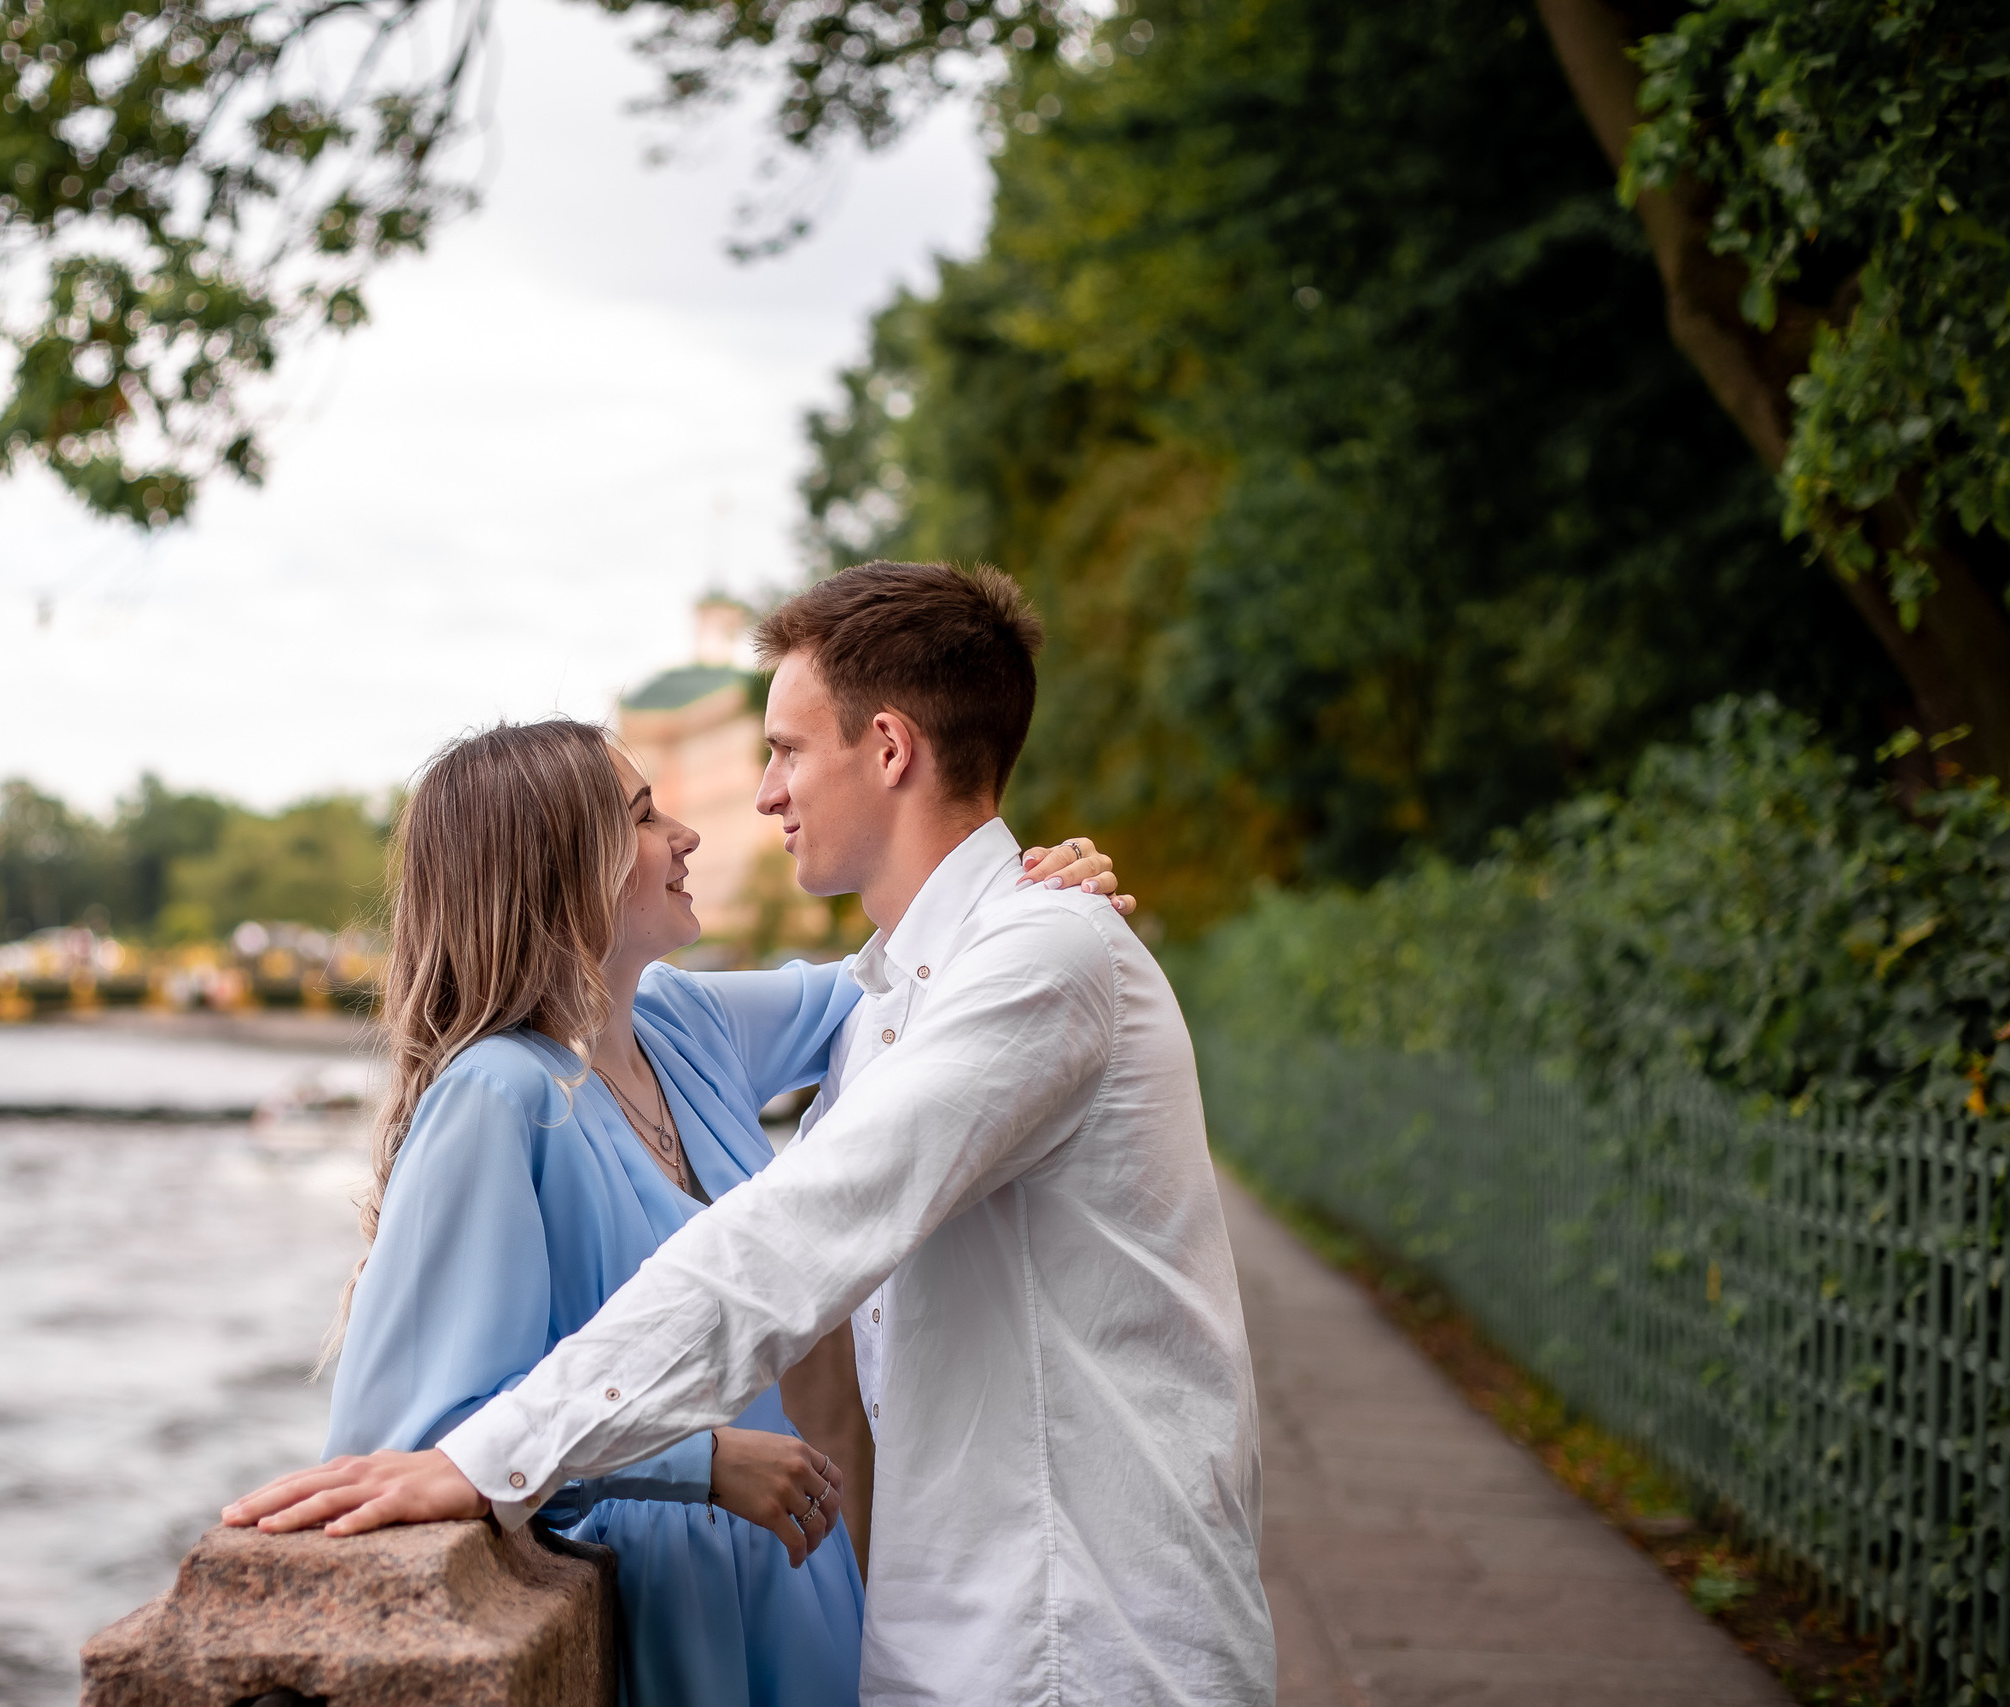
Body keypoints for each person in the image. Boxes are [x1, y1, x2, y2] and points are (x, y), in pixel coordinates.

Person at [227, 562, 1275, 1706]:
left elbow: (790, 1237)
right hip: (960, 1633)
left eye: (784, 750)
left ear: (886, 749)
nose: (755, 798)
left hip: (1078, 1647)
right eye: (646, 810)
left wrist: (490, 1459)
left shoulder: (1026, 966)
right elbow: (870, 995)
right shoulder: (934, 984)